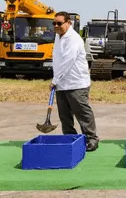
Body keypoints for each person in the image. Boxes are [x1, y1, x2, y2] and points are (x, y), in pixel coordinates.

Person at [50, 11, 99, 152]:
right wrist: (57, 80)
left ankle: (92, 138)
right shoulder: (58, 37)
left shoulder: (74, 39)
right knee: (64, 115)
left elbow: (67, 62)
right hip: (61, 83)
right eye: (54, 23)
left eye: (59, 23)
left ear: (68, 23)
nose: (56, 26)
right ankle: (70, 138)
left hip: (76, 83)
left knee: (82, 112)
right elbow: (57, 59)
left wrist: (54, 80)